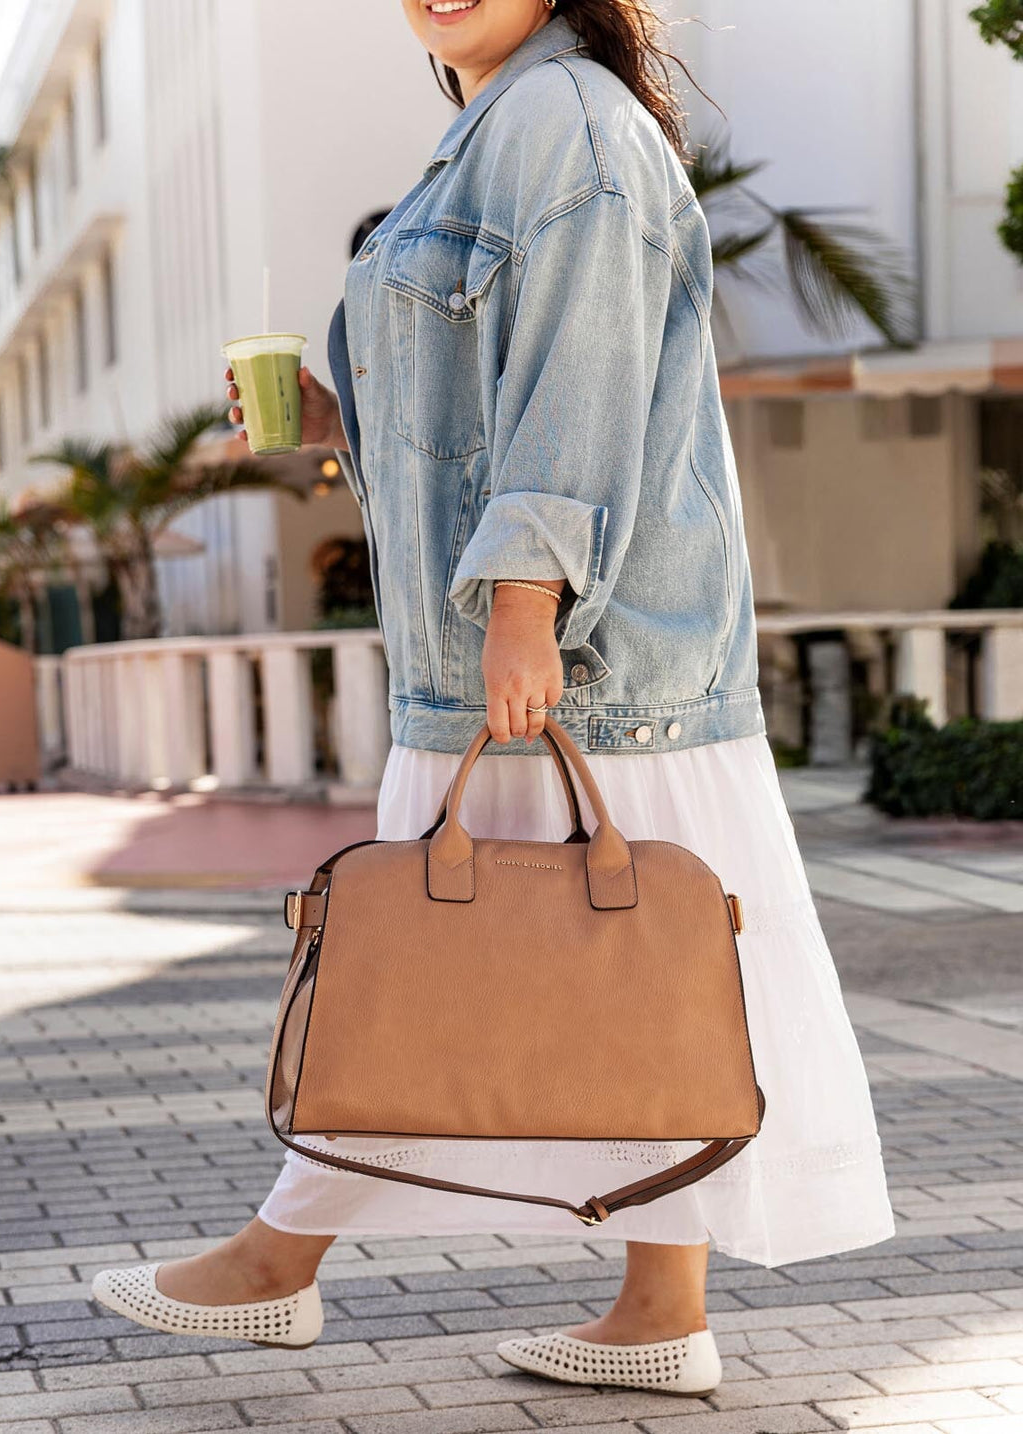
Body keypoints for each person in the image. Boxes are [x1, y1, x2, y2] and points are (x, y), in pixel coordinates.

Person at [92, 0, 894, 1393]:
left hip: (569, 659)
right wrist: (341, 414)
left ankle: (282, 1261)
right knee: (641, 982)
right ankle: (656, 1312)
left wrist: (525, 599)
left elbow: (580, 381)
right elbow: (488, 381)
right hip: (535, 658)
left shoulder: (563, 125)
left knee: (422, 968)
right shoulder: (489, 129)